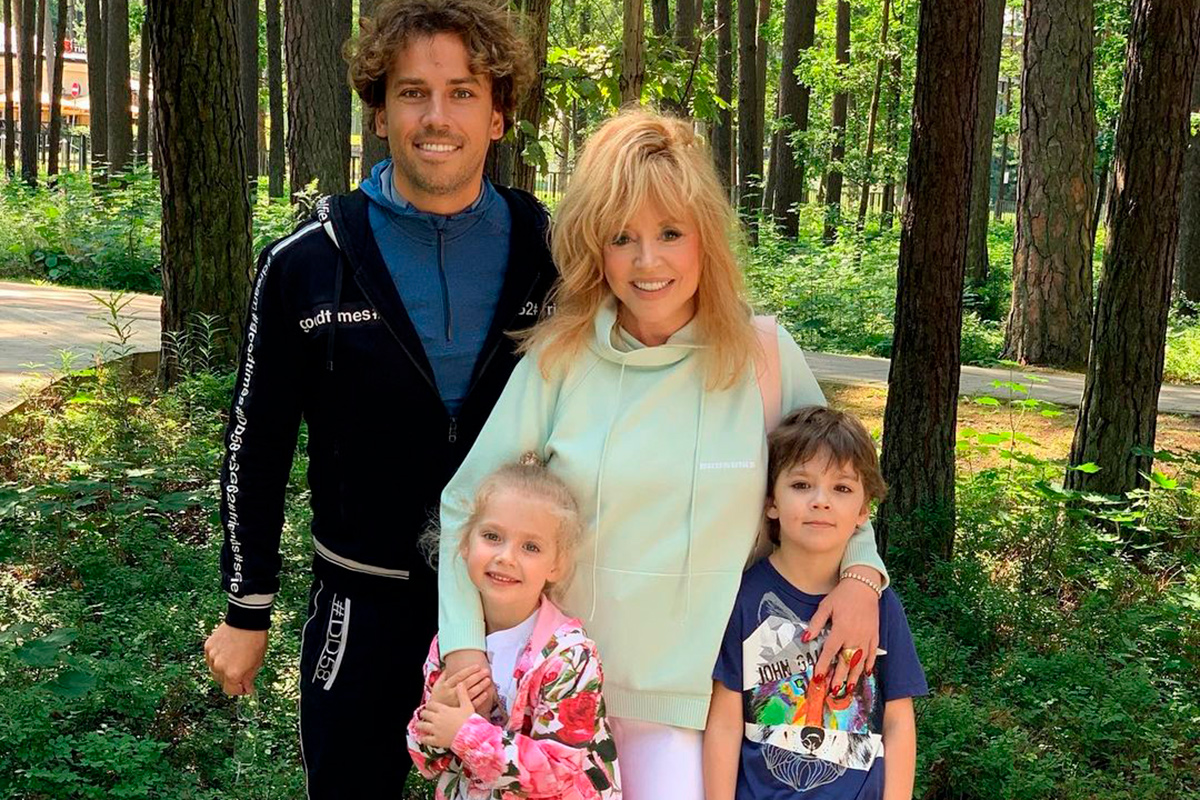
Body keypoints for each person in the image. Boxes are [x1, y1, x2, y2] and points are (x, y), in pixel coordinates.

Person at [436, 110, 890, 798]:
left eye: (671, 233)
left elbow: (835, 486)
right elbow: (464, 503)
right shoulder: (560, 358)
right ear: (595, 247)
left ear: (706, 236)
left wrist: (861, 577)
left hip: (714, 708)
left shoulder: (764, 357)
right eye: (623, 238)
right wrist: (467, 649)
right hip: (560, 704)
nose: (647, 263)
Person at [201, 0, 556, 795]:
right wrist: (247, 606)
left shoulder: (554, 255)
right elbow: (256, 442)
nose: (437, 117)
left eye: (463, 92)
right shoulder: (306, 264)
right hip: (362, 606)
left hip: (513, 612)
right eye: (412, 92)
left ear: (498, 115)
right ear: (380, 112)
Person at [704, 406, 927, 800]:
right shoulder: (743, 598)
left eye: (841, 488)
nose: (820, 501)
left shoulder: (879, 606)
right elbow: (724, 724)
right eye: (801, 484)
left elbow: (897, 722)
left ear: (863, 511)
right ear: (771, 501)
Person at [408, 456, 621, 799]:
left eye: (530, 547)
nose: (506, 557)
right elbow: (427, 763)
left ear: (556, 564)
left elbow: (557, 771)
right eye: (492, 536)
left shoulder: (570, 657)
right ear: (464, 544)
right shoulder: (452, 643)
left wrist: (465, 733)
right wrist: (434, 716)